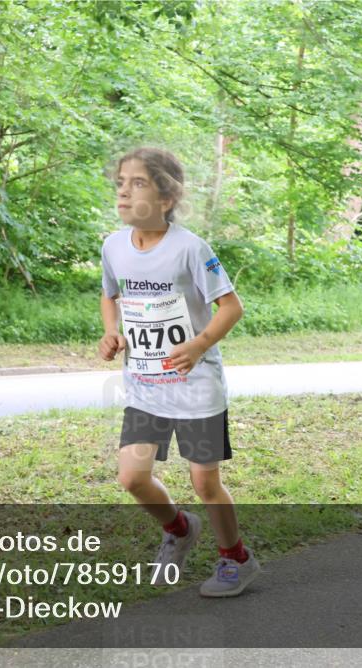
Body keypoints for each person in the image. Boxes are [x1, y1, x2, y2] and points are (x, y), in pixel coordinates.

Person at [98, 146, 260, 597]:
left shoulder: (191, 248)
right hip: (145, 385)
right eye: (120, 184)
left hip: (195, 386)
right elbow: (110, 294)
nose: (124, 193)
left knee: (205, 481)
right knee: (132, 477)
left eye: (138, 184)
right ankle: (179, 528)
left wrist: (199, 343)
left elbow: (231, 306)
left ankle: (237, 559)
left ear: (167, 198)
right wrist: (111, 332)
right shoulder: (113, 246)